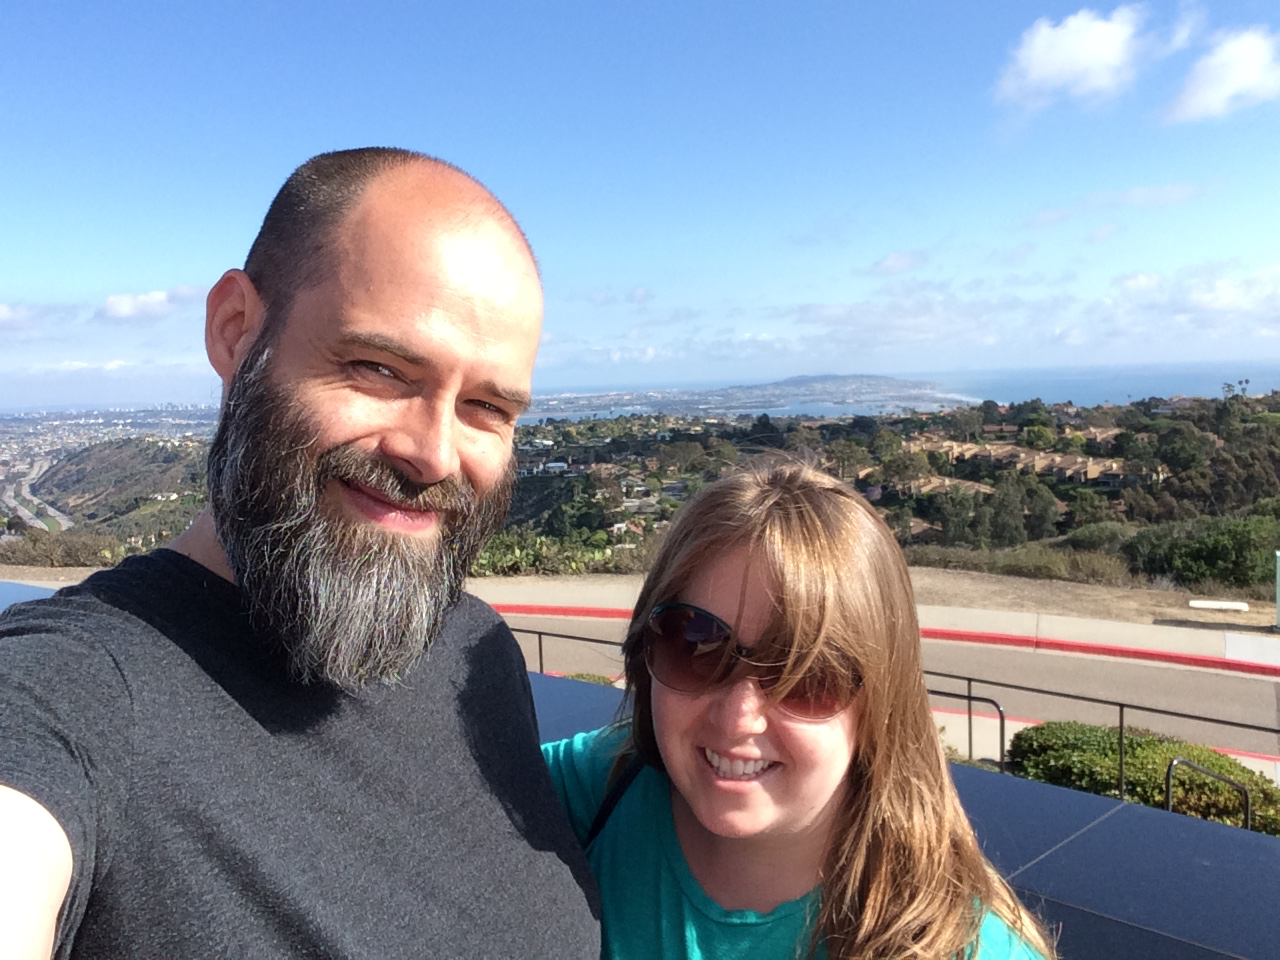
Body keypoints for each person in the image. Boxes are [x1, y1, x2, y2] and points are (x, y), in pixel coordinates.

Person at [0, 148, 600, 959]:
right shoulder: (69, 691)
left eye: (488, 407)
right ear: (235, 330)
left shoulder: (476, 650)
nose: (434, 454)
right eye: (380, 368)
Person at [542, 457, 1054, 959]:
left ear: (881, 703)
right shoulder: (604, 784)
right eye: (695, 645)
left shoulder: (959, 948)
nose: (736, 718)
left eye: (806, 675)